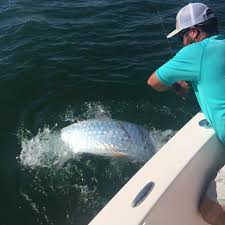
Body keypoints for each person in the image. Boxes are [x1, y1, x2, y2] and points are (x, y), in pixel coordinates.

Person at [147, 3, 225, 225]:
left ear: (194, 32)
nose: (182, 42)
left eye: (182, 35)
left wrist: (175, 86)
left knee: (211, 211)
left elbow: (154, 82)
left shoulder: (194, 51)